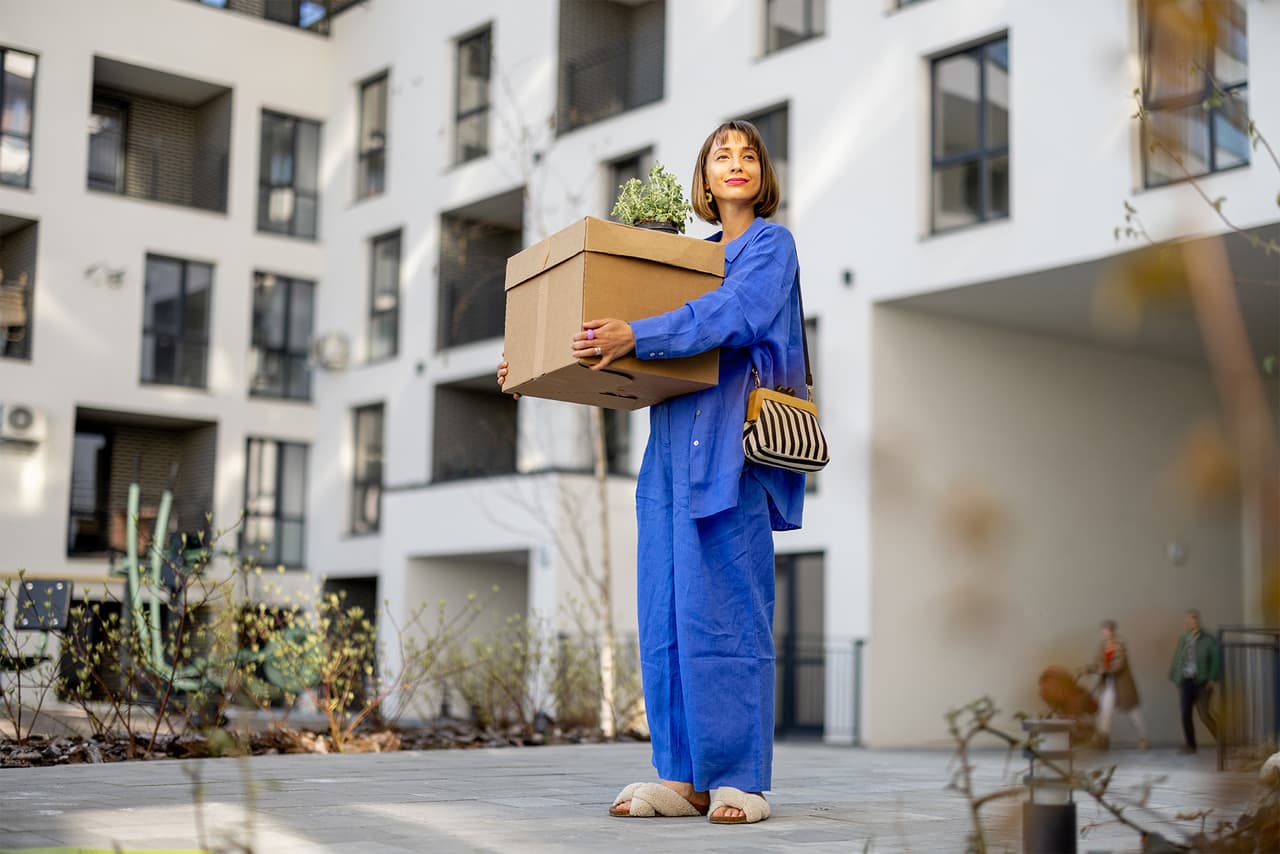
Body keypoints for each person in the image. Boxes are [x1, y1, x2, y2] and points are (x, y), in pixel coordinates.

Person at [498, 120, 806, 824]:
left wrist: (639, 332)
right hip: (668, 457)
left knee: (730, 617)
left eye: (748, 154)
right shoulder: (680, 259)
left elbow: (734, 314)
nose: (736, 163)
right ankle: (684, 775)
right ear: (702, 178)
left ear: (763, 174)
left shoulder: (771, 246)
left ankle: (739, 779)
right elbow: (612, 341)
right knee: (668, 615)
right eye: (721, 155)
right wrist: (533, 357)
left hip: (733, 450)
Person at [1087, 620, 1149, 751]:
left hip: (1122, 684)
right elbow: (1097, 661)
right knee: (1105, 710)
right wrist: (1091, 668)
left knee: (1133, 711)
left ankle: (1143, 737)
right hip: (1108, 684)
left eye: (1106, 631)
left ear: (1111, 631)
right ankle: (1103, 739)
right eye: (1102, 631)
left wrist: (1103, 669)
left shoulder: (1120, 645)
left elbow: (1118, 665)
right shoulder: (1102, 645)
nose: (1104, 634)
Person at [1168, 609, 1220, 754]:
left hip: (1202, 681)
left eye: (1192, 620)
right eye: (1187, 621)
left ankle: (1221, 742)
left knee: (1204, 714)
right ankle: (1191, 745)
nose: (1190, 623)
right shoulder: (1184, 638)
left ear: (1197, 621)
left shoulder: (1208, 639)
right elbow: (1178, 658)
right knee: (1185, 713)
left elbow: (1215, 660)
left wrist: (1212, 678)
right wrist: (1176, 678)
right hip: (1186, 680)